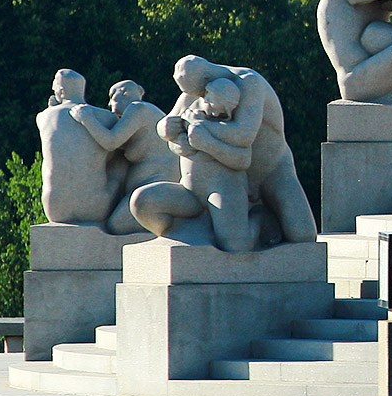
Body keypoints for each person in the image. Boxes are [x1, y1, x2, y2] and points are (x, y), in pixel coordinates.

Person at [130, 56, 317, 250]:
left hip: (270, 171)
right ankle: (203, 231)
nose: (200, 100)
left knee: (301, 234)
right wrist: (168, 130)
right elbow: (168, 130)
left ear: (207, 78)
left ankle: (259, 219)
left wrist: (200, 130)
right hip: (219, 179)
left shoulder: (249, 83)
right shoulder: (197, 90)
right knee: (144, 203)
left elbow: (244, 135)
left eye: (201, 94)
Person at [70, 79, 180, 235]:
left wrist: (86, 118)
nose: (109, 104)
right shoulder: (142, 113)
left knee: (119, 225)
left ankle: (174, 230)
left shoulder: (138, 109)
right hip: (145, 187)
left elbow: (111, 141)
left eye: (112, 97)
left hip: (158, 184)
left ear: (124, 93)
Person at [36, 69, 120, 226]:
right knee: (119, 163)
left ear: (61, 91)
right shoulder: (107, 117)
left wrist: (51, 109)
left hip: (55, 208)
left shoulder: (43, 117)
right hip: (96, 208)